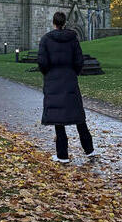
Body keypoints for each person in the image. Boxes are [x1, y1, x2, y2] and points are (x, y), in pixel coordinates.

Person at [38, 11, 97, 164]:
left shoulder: (46, 39)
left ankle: (62, 155)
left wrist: (49, 74)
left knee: (58, 118)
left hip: (53, 80)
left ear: (54, 23)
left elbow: (42, 63)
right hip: (69, 79)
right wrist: (72, 73)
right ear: (65, 23)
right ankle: (89, 149)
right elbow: (79, 61)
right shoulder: (73, 39)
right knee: (78, 116)